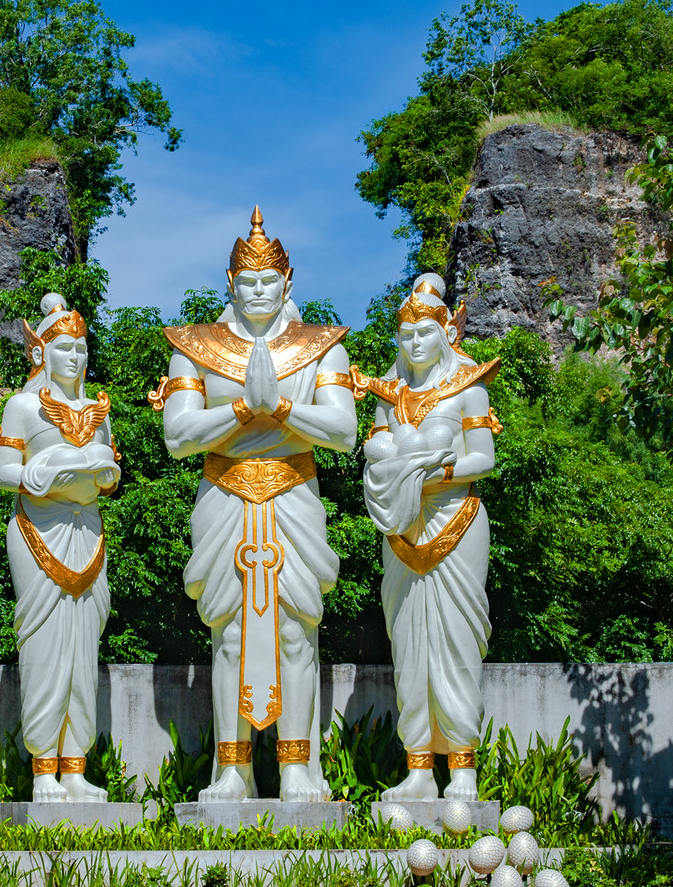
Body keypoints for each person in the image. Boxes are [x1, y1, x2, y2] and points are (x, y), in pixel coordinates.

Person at [152, 207, 357, 802]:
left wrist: (285, 410)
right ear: (230, 282)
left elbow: (343, 432)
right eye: (248, 282)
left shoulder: (323, 348)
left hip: (294, 493)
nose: (260, 291)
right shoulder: (195, 347)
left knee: (296, 630)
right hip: (224, 494)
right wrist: (244, 410)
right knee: (231, 635)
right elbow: (177, 437)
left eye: (270, 282)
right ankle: (232, 769)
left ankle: (297, 765)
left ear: (288, 284)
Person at [356, 273, 500, 801]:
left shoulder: (468, 387)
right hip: (402, 524)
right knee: (410, 643)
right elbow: (376, 453)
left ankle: (462, 768)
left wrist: (429, 475)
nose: (414, 344)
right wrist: (400, 476)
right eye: (406, 336)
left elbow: (483, 457)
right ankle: (418, 767)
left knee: (458, 640)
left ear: (445, 333)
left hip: (455, 519)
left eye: (425, 334)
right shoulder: (390, 395)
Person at [0, 293, 121, 802]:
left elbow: (110, 471)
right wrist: (42, 472)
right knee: (44, 645)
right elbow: (4, 474)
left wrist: (100, 473)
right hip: (37, 529)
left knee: (84, 647)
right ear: (42, 352)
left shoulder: (98, 409)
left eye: (82, 348)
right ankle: (43, 768)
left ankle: (74, 769)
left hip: (87, 527)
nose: (75, 357)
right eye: (64, 348)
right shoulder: (23, 406)